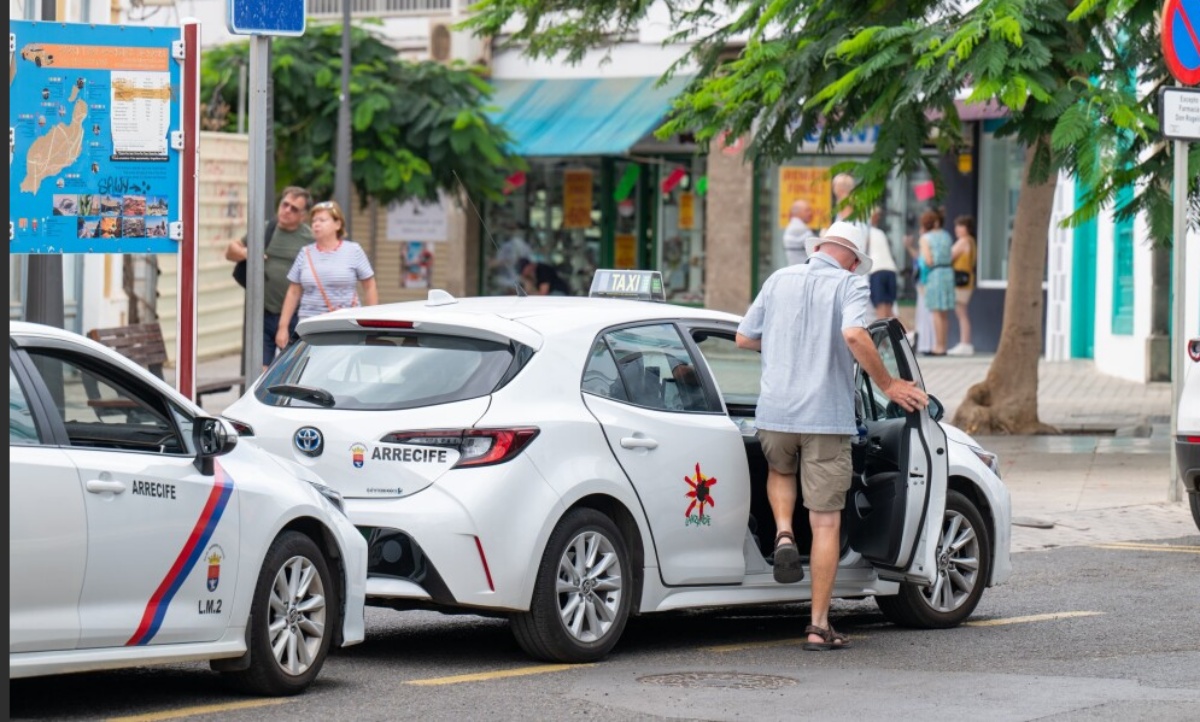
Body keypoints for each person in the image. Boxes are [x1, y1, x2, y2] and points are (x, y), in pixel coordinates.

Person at [735, 220, 927, 652]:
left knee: (780, 470)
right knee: (824, 521)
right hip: (824, 416)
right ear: (854, 261)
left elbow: (744, 337)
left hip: (775, 411)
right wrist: (889, 384)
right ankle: (818, 625)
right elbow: (855, 334)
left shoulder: (778, 279)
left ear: (818, 247)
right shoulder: (849, 285)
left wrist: (786, 345)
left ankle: (784, 532)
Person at [224, 186, 313, 370]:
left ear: (303, 216)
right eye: (285, 204)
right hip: (262, 312)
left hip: (295, 315)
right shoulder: (265, 229)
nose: (287, 210)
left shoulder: (308, 238)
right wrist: (248, 253)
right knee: (260, 370)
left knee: (292, 370)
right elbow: (231, 251)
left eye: (294, 209)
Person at [275, 200, 378, 351]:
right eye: (314, 221)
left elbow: (369, 286)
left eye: (322, 220)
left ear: (338, 224)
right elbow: (293, 291)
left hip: (345, 325)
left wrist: (371, 322)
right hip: (310, 326)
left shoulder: (353, 251)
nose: (316, 224)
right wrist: (283, 327)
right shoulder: (305, 253)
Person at [919, 209, 955, 356]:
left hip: (934, 274)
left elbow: (928, 260)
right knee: (944, 313)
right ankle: (944, 345)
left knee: (936, 312)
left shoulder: (925, 238)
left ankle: (938, 346)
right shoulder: (947, 236)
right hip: (948, 272)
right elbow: (951, 255)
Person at [948, 215, 978, 356]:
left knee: (961, 312)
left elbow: (950, 256)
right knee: (962, 312)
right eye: (957, 226)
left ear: (967, 228)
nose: (957, 229)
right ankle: (964, 342)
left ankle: (965, 342)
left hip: (961, 281)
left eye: (961, 226)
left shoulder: (964, 241)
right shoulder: (971, 241)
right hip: (967, 279)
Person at [866, 207, 899, 319]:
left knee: (881, 313)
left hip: (877, 272)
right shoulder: (880, 233)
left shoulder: (865, 232)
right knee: (889, 312)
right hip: (890, 271)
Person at [782, 200, 816, 266]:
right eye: (807, 210)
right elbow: (817, 247)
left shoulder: (793, 226)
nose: (810, 213)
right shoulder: (799, 228)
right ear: (798, 213)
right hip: (803, 269)